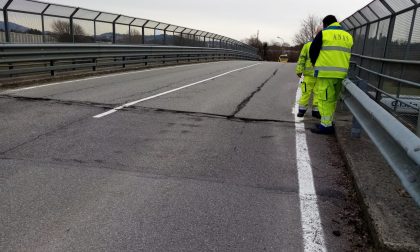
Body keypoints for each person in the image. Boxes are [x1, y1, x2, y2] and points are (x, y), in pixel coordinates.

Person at [309, 15, 353, 134]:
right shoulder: (348, 36)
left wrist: (315, 64)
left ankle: (325, 126)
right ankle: (328, 122)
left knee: (324, 100)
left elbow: (312, 50)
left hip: (326, 73)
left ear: (325, 24)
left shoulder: (324, 34)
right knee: (333, 100)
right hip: (341, 74)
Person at [295, 26, 323, 119]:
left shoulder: (323, 44)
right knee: (309, 92)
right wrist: (299, 70)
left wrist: (299, 70)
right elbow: (302, 58)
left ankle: (312, 111)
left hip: (318, 74)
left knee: (315, 93)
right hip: (313, 74)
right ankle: (303, 110)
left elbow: (302, 58)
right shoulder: (309, 45)